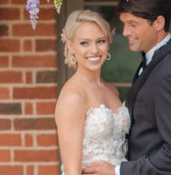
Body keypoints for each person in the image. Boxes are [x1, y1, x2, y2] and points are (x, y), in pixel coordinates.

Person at [84, 0, 171, 175]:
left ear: (158, 23)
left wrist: (119, 171)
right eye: (124, 24)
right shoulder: (157, 60)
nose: (125, 32)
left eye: (133, 24)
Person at [56, 10, 130, 175]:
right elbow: (71, 171)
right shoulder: (72, 97)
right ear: (70, 45)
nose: (94, 50)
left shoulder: (112, 90)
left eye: (100, 41)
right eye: (84, 43)